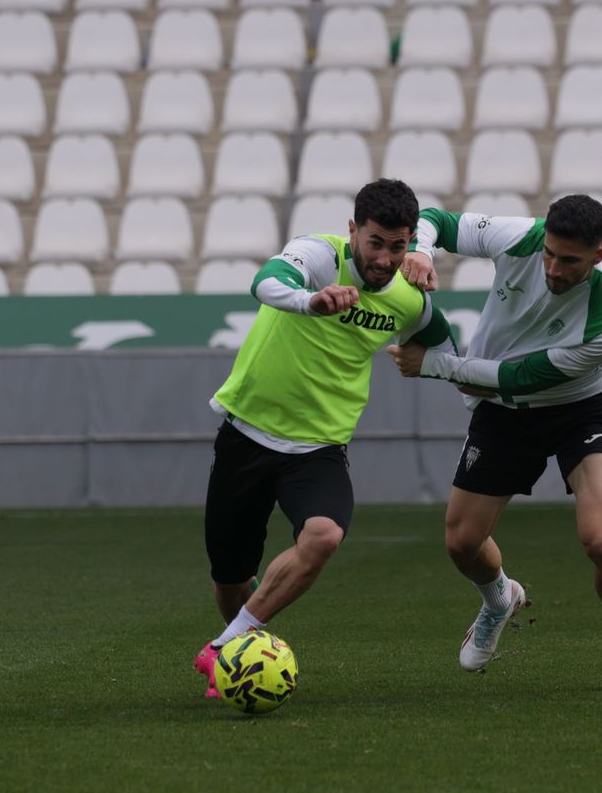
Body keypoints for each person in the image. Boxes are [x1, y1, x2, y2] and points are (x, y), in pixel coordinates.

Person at [192, 179, 453, 697]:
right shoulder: (319, 255)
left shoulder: (408, 298)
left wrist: (429, 363)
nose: (385, 258)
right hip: (246, 434)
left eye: (398, 246)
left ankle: (224, 648)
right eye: (375, 243)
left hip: (318, 449)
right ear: (353, 230)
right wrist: (310, 301)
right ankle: (239, 650)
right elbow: (265, 282)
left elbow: (441, 343)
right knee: (231, 576)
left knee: (325, 535)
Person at [389, 194, 602, 692]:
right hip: (504, 412)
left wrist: (435, 365)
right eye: (550, 254)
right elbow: (435, 219)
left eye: (570, 261)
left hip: (581, 406)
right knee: (462, 542)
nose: (553, 268)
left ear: (599, 255)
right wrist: (422, 251)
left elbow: (523, 377)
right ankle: (500, 598)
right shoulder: (519, 236)